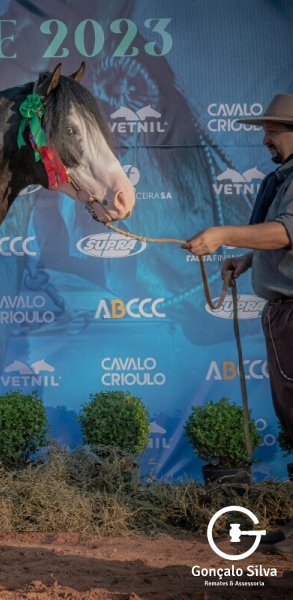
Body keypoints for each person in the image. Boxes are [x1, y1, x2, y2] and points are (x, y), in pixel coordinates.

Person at [184, 93, 293, 555]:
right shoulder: (283, 179)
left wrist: (223, 234)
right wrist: (248, 260)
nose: (265, 138)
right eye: (265, 130)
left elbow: (286, 231)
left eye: (273, 130)